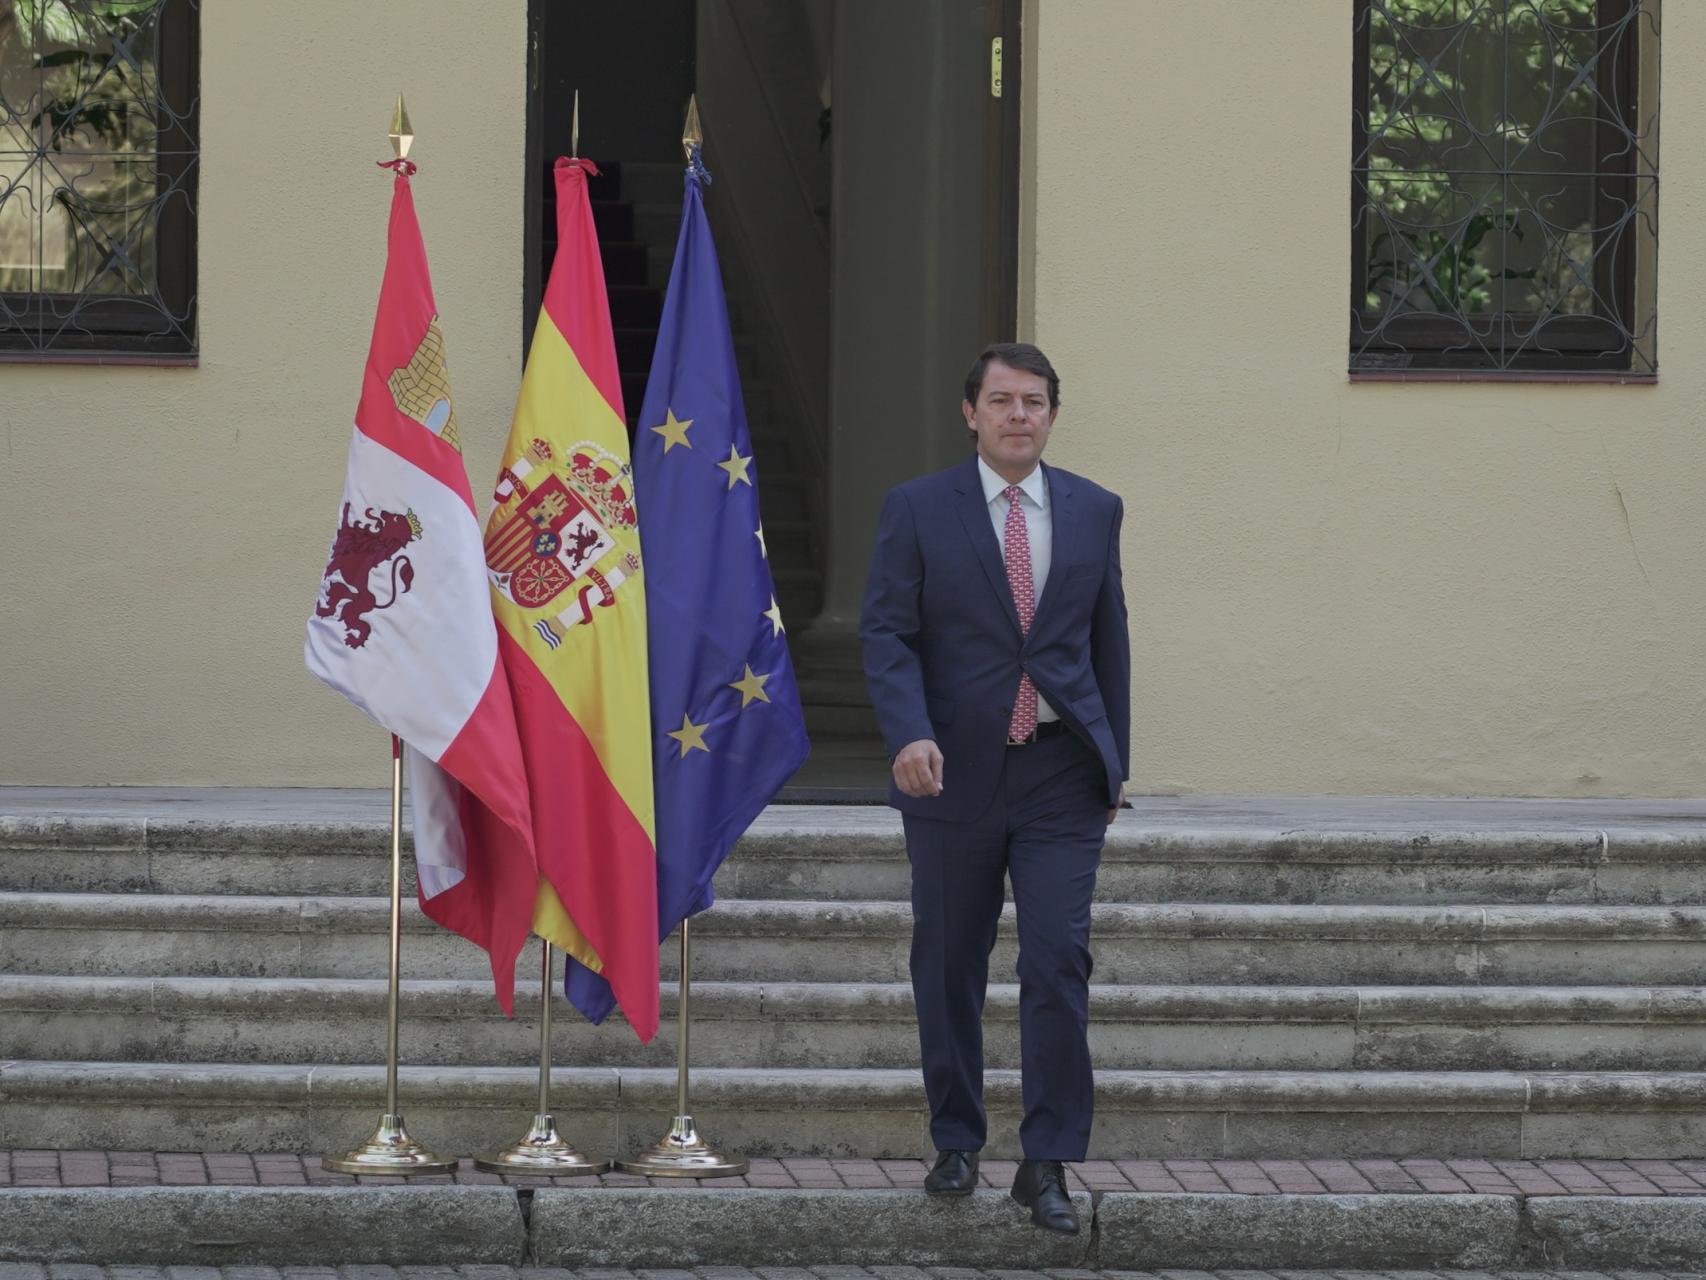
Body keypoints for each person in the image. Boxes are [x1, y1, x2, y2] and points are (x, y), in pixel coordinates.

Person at [859, 342, 1130, 1234]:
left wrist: (1113, 760)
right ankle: (957, 1141)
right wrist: (907, 733)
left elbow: (1107, 640)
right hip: (951, 772)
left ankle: (1047, 1163)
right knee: (948, 963)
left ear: (1054, 415)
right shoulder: (918, 508)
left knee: (1057, 961)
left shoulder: (1094, 509)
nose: (1020, 415)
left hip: (1059, 772)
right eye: (1003, 400)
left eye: (1036, 402)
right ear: (970, 413)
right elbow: (888, 633)